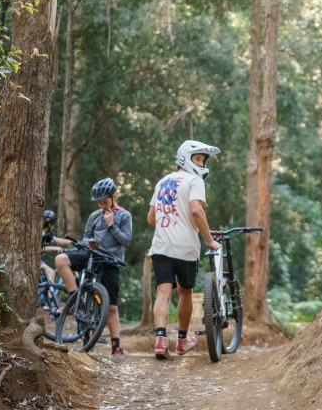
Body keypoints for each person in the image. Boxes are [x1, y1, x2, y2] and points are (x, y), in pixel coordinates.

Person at [147, 140, 221, 359]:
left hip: (160, 246)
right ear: (185, 159)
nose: (201, 164)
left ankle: (160, 339)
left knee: (163, 293)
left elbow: (151, 218)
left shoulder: (162, 182)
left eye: (202, 160)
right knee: (185, 292)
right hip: (185, 248)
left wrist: (169, 219)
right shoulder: (194, 181)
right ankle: (181, 341)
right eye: (197, 159)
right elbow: (196, 211)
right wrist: (209, 240)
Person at [54, 178, 132, 357]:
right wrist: (88, 242)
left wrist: (112, 225)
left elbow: (126, 241)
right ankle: (77, 300)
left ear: (114, 197)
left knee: (111, 307)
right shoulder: (94, 216)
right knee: (61, 260)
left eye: (105, 202)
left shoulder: (124, 216)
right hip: (91, 255)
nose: (102, 206)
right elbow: (86, 237)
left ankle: (116, 347)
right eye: (99, 203)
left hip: (110, 261)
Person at [40, 210, 73, 284]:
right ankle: (49, 292)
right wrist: (54, 248)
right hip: (30, 260)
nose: (53, 226)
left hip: (38, 260)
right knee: (51, 273)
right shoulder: (37, 233)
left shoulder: (46, 234)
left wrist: (73, 242)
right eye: (52, 224)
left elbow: (58, 240)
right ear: (48, 223)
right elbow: (37, 249)